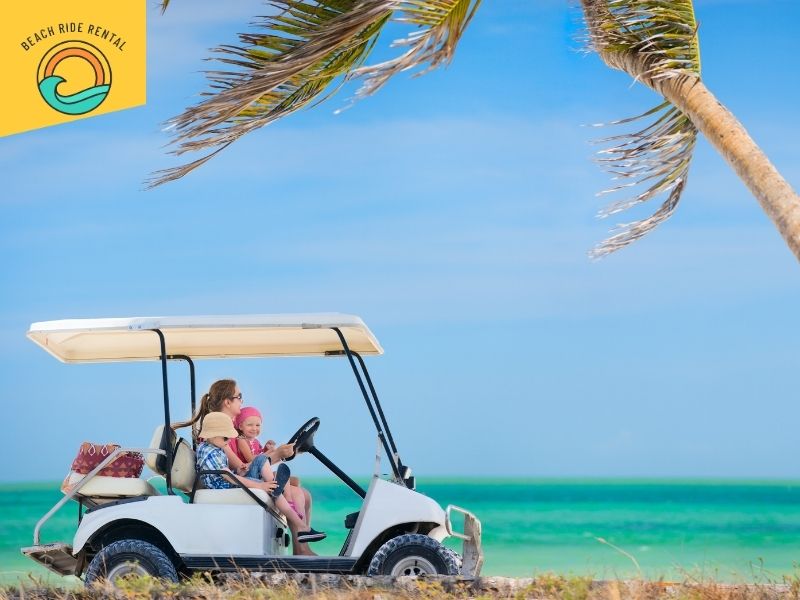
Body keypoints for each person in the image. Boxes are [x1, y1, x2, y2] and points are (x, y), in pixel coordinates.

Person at [174, 379, 324, 552]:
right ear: (227, 402)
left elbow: (244, 465)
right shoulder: (219, 436)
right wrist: (278, 455)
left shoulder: (226, 431)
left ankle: (302, 547)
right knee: (296, 493)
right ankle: (302, 547)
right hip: (235, 481)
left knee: (303, 493)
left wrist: (278, 454)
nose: (242, 401)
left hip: (241, 475)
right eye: (239, 397)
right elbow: (237, 467)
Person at [194, 412, 321, 552]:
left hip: (231, 479)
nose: (228, 440)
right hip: (226, 485)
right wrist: (260, 486)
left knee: (261, 459)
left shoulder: (215, 446)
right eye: (225, 437)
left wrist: (240, 470)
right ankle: (302, 526)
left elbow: (228, 472)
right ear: (212, 435)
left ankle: (276, 486)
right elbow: (227, 476)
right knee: (274, 488)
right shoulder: (209, 452)